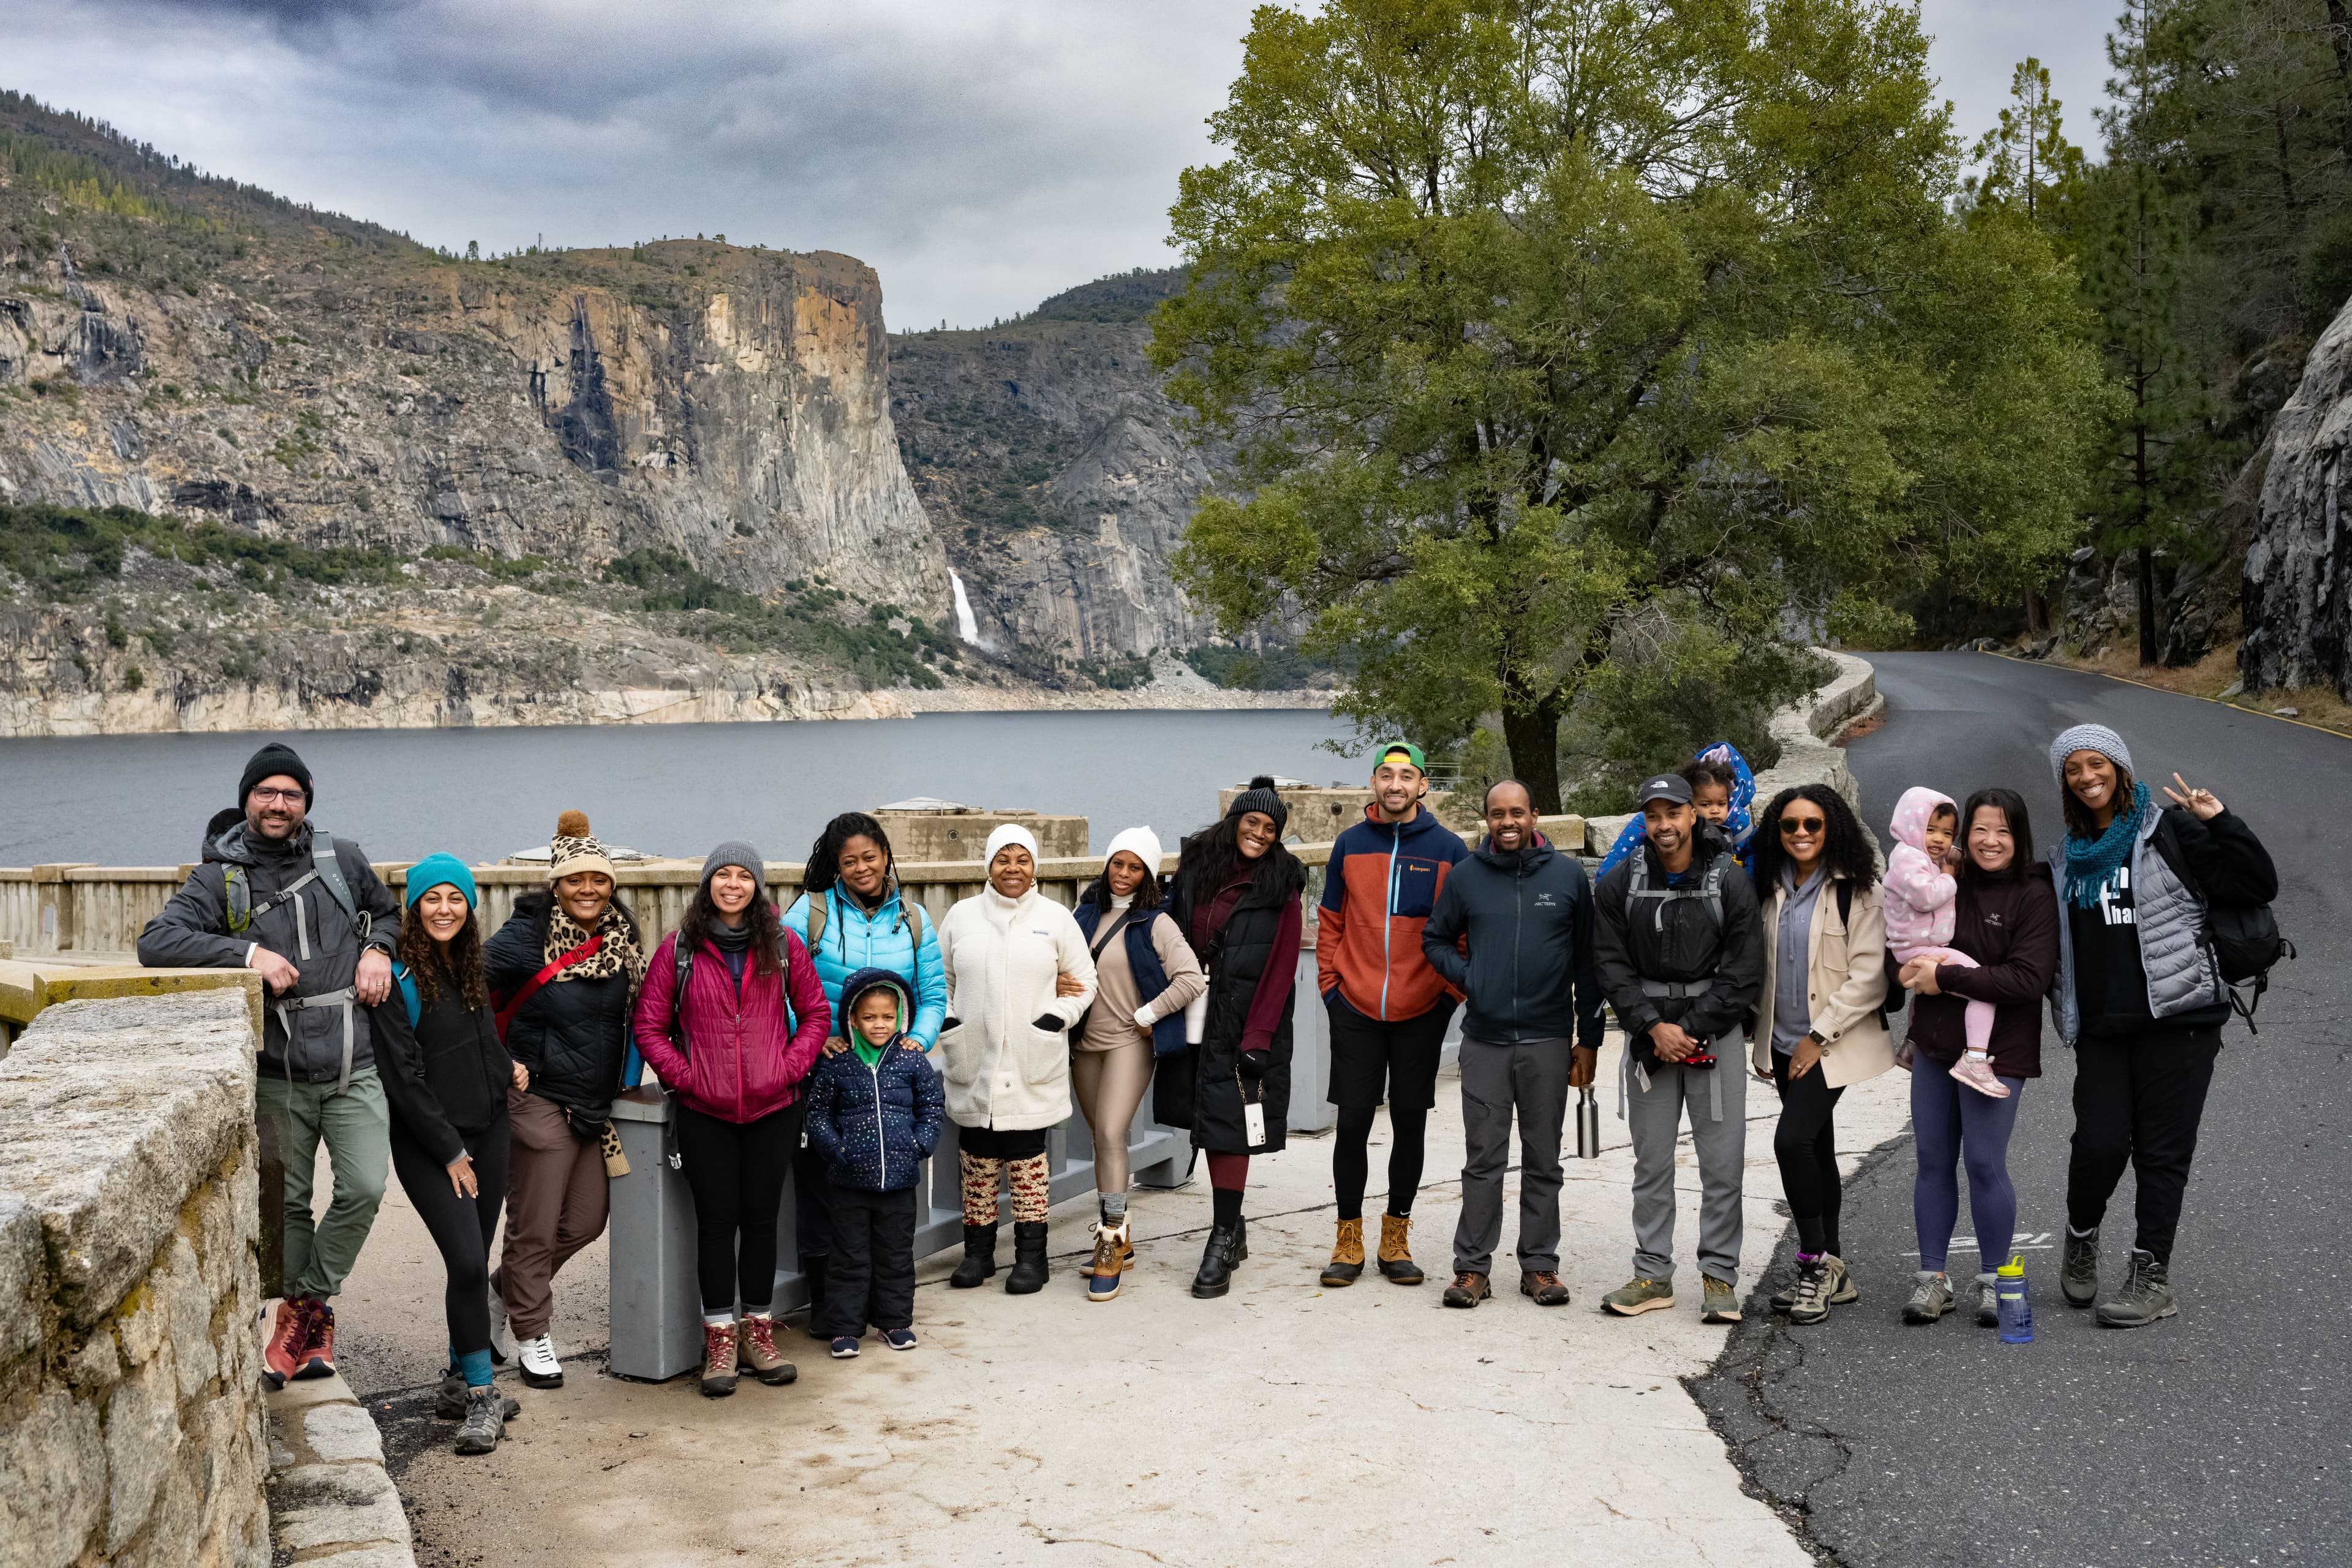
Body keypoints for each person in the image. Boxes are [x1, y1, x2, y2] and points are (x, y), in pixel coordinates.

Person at [138, 742, 401, 1388]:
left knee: (364, 1187)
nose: (277, 803)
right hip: (277, 1074)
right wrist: (249, 952)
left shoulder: (341, 858)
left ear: (306, 800)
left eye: (290, 793)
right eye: (266, 792)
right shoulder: (219, 877)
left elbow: (389, 913)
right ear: (247, 799)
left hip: (352, 1064)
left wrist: (377, 949)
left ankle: (302, 1308)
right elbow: (156, 941)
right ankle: (312, 1330)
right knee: (286, 1209)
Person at [2046, 724, 2275, 1327]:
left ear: (2120, 768)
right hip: (2102, 1026)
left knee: (2162, 1151)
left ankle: (2152, 1275)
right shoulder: (2065, 856)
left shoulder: (2170, 829)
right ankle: (2081, 1233)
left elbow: (2256, 883)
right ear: (2065, 782)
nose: (2088, 776)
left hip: (2181, 1017)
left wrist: (2220, 819)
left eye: (2098, 763)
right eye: (2075, 769)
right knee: (2097, 1143)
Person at [632, 842, 831, 1396]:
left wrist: (788, 1069)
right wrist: (688, 1076)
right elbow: (649, 1026)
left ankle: (758, 1334)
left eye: (745, 876)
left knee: (762, 1221)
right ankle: (720, 1338)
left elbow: (815, 1013)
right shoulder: (680, 949)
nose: (734, 885)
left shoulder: (784, 945)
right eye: (724, 875)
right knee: (717, 1225)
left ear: (758, 887)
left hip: (773, 1107)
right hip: (704, 1111)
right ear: (708, 884)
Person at [1418, 780, 1603, 1309]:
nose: (1508, 822)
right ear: (1487, 820)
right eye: (1498, 814)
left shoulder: (1568, 877)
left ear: (1535, 816)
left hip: (1548, 1039)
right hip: (1486, 1042)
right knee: (1484, 1160)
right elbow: (1434, 938)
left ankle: (1540, 1266)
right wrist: (1470, 977)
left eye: (1517, 812)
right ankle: (1472, 1268)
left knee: (1544, 1158)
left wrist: (1587, 1040)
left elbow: (1587, 962)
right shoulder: (1467, 878)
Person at [1593, 772, 1764, 1324]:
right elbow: (1610, 965)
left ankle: (1719, 1277)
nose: (1663, 825)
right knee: (1652, 1162)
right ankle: (1652, 1273)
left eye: (1674, 813)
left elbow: (1743, 972)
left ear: (1694, 815)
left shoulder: (1730, 881)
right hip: (1650, 1037)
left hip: (1712, 1032)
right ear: (1644, 821)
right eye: (1653, 815)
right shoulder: (1621, 882)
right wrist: (1650, 1027)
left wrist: (1688, 1028)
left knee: (1722, 1163)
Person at [484, 810, 647, 1390]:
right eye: (575, 880)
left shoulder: (622, 940)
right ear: (555, 885)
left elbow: (635, 1018)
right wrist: (504, 1064)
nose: (588, 890)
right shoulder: (524, 938)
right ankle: (532, 1333)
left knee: (583, 1221)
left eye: (598, 880)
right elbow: (465, 989)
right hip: (539, 1102)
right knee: (533, 1227)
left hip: (593, 1106)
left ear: (611, 886)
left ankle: (501, 1291)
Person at [369, 853, 526, 1453]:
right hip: (432, 1145)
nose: (444, 909)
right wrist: (451, 1150)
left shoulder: (469, 963)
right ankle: (484, 1401)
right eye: (432, 898)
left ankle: (461, 1380)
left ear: (469, 906)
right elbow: (403, 1079)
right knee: (466, 1263)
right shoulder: (396, 980)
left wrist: (506, 1068)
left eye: (455, 898)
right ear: (414, 906)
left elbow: (480, 1035)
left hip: (491, 1130)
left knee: (472, 1255)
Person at [782, 812, 948, 1336]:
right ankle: (830, 1307)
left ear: (885, 855)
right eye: (848, 860)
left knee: (884, 1189)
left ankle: (883, 1304)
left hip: (891, 1076)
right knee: (821, 1189)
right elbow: (778, 986)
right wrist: (812, 1039)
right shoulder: (808, 914)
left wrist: (915, 1044)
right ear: (835, 864)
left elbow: (934, 995)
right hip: (826, 1072)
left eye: (869, 857)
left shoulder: (914, 918)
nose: (861, 868)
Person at [1898, 789, 2057, 1327]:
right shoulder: (1945, 881)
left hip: (2000, 1051)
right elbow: (1912, 939)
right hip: (1935, 1045)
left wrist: (1945, 977)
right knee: (1932, 1161)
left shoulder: (2033, 895)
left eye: (2004, 832)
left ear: (2020, 838)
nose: (1991, 841)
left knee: (1985, 1163)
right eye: (1981, 830)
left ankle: (1994, 1278)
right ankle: (1932, 1278)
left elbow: (2027, 978)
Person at [1314, 741, 1468, 1289]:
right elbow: (1330, 920)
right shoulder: (1349, 845)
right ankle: (1348, 1237)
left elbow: (1463, 934)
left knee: (1410, 1124)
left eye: (1407, 776)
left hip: (1421, 1010)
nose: (1395, 784)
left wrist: (1448, 997)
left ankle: (1395, 1236)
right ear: (1374, 784)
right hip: (1354, 1006)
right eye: (1386, 775)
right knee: (1352, 1124)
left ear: (1423, 786)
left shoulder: (1450, 850)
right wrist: (1331, 989)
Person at [1744, 783, 1893, 1326]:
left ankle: (1811, 1265)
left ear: (1831, 828)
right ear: (1776, 833)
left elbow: (1869, 978)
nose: (1801, 834)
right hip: (1781, 1043)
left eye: (1812, 824)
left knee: (1791, 1142)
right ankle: (1836, 1268)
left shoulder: (1858, 890)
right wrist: (1763, 1039)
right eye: (1790, 826)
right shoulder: (1767, 887)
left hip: (1829, 1045)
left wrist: (1817, 1036)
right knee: (1817, 1148)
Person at [935, 823, 1098, 1295]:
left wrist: (1056, 1017)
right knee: (978, 1160)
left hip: (1032, 1058)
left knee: (1028, 1162)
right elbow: (940, 980)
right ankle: (978, 1255)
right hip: (974, 1059)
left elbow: (1084, 980)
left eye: (1022, 859)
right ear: (988, 865)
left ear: (1035, 867)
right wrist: (949, 1022)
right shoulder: (962, 917)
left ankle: (1032, 1259)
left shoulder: (1056, 918)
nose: (1013, 868)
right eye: (1003, 859)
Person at [1166, 777, 1307, 1299]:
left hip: (1246, 1017)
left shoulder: (1282, 882)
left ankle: (1221, 1237)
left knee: (1230, 1125)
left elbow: (1282, 965)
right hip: (1191, 1007)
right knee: (1204, 1117)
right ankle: (1234, 1221)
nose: (1260, 834)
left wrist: (1260, 1036)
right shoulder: (1196, 867)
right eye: (1252, 822)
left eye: (1271, 828)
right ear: (1235, 821)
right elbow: (1161, 922)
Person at [1070, 827, 1206, 1302]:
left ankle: (1109, 1241)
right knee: (1101, 1139)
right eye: (1117, 864)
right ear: (1106, 866)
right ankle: (1122, 1234)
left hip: (1130, 1042)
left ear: (1148, 874)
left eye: (1135, 867)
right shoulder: (1083, 915)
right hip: (1084, 1043)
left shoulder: (1157, 923)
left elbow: (1191, 979)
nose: (1124, 874)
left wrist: (1149, 1014)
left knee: (1110, 1133)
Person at [802, 968, 944, 1359]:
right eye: (869, 1017)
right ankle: (845, 1329)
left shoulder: (911, 1061)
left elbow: (931, 1107)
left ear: (899, 1017)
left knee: (896, 1255)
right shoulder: (838, 1064)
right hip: (849, 1182)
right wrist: (837, 1149)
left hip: (899, 1181)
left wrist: (921, 1144)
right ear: (852, 1019)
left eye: (887, 1017)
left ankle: (894, 1323)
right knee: (848, 1256)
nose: (879, 1025)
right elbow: (817, 1113)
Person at [1883, 788, 2006, 1098]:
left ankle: (1912, 1046)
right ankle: (1975, 1059)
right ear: (1912, 826)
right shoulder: (1907, 859)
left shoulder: (1918, 855)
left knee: (1924, 998)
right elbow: (1926, 898)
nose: (1939, 839)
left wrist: (1954, 859)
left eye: (1947, 833)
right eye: (1930, 829)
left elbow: (1951, 856)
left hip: (1917, 945)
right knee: (1981, 987)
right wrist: (1949, 876)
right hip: (1917, 946)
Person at [1596, 742, 1757, 876]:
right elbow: (1611, 869)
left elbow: (1755, 858)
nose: (1715, 811)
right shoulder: (1646, 822)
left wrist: (1745, 888)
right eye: (1706, 805)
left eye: (1721, 804)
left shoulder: (1739, 825)